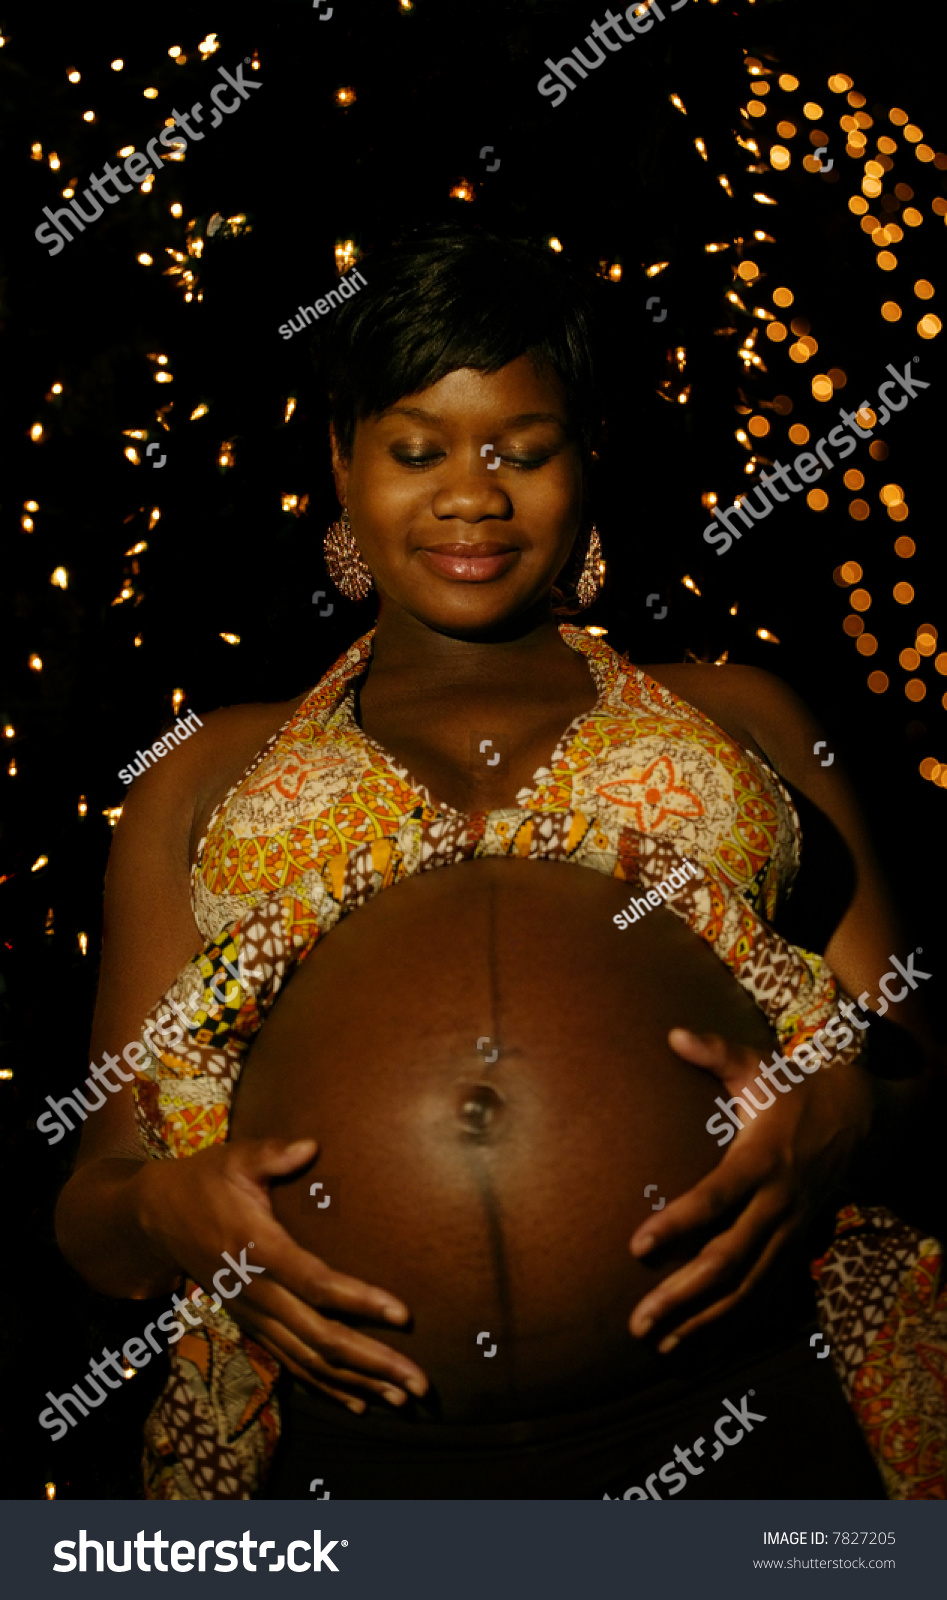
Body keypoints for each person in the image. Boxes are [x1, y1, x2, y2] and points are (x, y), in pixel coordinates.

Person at [54, 222, 944, 1502]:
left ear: (585, 466)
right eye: (416, 451)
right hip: (352, 1456)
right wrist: (167, 1214)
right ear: (341, 468)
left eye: (520, 452)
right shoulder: (202, 770)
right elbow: (94, 1204)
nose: (469, 497)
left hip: (750, 1408)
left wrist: (849, 1113)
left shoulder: (742, 712)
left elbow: (920, 1067)